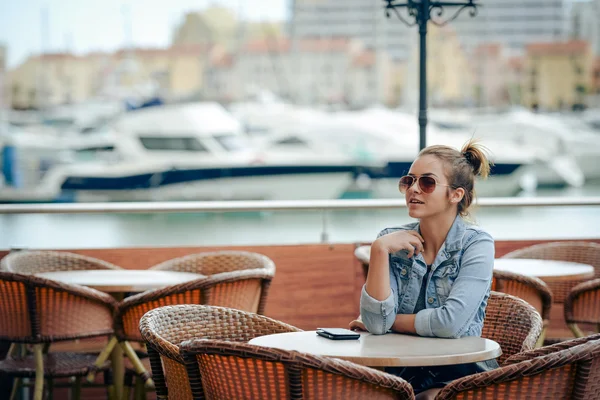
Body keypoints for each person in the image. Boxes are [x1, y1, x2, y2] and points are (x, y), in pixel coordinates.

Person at [349, 139, 498, 399]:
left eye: (427, 183)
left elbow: (449, 323)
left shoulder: (477, 244)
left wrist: (390, 322)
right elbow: (374, 322)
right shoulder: (389, 240)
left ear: (455, 194)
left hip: (460, 376)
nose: (413, 189)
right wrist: (379, 250)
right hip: (400, 374)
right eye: (409, 181)